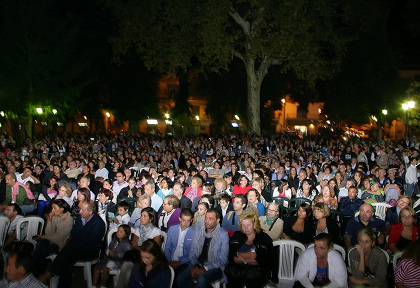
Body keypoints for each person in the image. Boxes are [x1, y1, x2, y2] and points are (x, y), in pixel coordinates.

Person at [40, 200, 106, 288]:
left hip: (90, 251)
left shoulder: (98, 224)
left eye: (82, 210)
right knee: (66, 259)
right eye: (80, 209)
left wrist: (77, 240)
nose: (80, 211)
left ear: (90, 212)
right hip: (75, 248)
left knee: (66, 252)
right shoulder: (80, 218)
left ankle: (48, 274)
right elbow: (74, 234)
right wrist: (77, 239)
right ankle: (59, 283)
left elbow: (90, 242)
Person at [177, 209, 229, 288]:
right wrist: (196, 266)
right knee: (180, 279)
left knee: (201, 279)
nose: (207, 221)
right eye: (206, 218)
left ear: (217, 220)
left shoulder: (223, 234)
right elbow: (192, 252)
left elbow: (223, 259)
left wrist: (205, 268)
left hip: (214, 266)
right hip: (198, 263)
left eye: (210, 219)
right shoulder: (198, 230)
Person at [225, 210, 278, 288]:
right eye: (243, 225)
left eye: (248, 225)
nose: (246, 228)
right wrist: (247, 256)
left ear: (254, 225)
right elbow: (231, 256)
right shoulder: (237, 235)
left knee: (254, 275)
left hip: (256, 274)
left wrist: (242, 258)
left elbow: (262, 260)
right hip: (237, 272)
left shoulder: (263, 238)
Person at [33, 199, 73, 276]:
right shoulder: (55, 216)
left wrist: (43, 237)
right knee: (40, 245)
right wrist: (49, 220)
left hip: (60, 244)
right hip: (50, 240)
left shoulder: (68, 219)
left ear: (62, 209)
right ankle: (39, 273)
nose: (52, 210)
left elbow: (59, 238)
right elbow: (48, 234)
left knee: (40, 251)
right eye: (52, 208)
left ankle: (38, 273)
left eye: (55, 208)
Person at [164, 208, 195, 284]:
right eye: (184, 220)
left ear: (191, 220)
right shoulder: (172, 229)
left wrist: (180, 262)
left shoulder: (194, 232)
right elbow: (167, 247)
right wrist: (169, 261)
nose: (186, 223)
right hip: (170, 259)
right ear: (179, 219)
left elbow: (192, 253)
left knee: (177, 279)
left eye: (188, 220)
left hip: (185, 262)